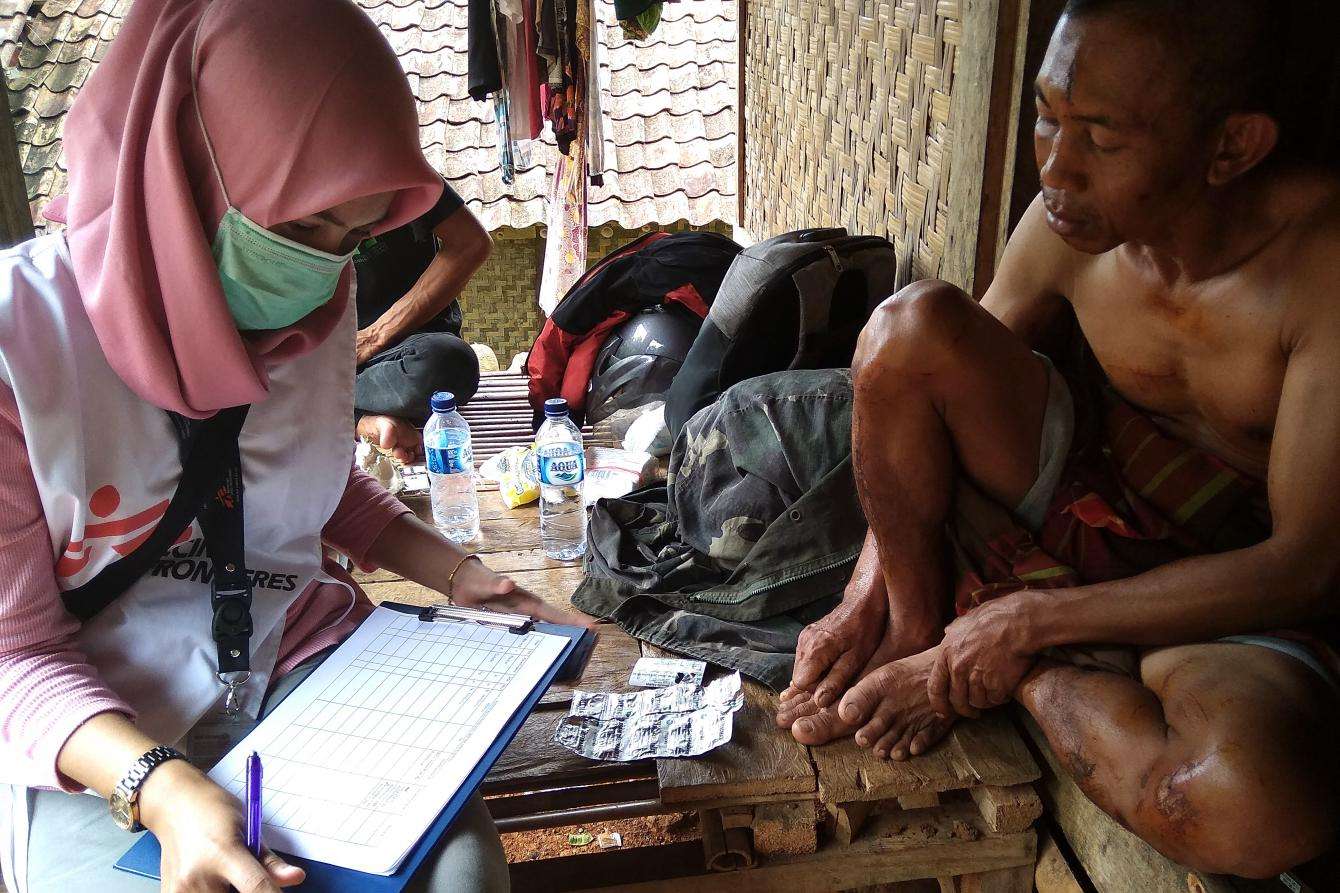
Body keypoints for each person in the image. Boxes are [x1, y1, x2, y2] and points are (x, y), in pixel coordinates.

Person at [0, 1, 588, 891]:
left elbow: (310, 478)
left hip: (296, 665)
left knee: (460, 875)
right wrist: (162, 791)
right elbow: (16, 657)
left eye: (352, 239)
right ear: (182, 170)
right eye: (302, 229)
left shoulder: (318, 304)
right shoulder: (19, 349)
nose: (322, 272)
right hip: (96, 729)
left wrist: (468, 577)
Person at [777, 0, 1340, 878]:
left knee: (1247, 804)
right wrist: (867, 592)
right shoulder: (1068, 222)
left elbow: (1302, 564)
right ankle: (925, 627)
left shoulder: (1322, 270)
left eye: (1102, 138)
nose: (1054, 166)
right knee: (903, 333)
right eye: (1047, 115)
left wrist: (1025, 629)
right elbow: (913, 391)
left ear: (1231, 146)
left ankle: (1001, 667)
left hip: (1222, 598)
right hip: (1087, 492)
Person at [353, 178, 493, 463]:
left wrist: (373, 337)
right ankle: (360, 420)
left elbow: (471, 242)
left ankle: (341, 412)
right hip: (330, 365)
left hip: (408, 354)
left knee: (450, 363)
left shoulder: (400, 168)